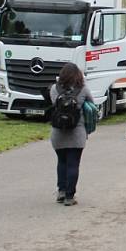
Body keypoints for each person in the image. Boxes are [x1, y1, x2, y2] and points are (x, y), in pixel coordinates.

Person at [50, 62, 94, 206]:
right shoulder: (83, 90)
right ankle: (70, 196)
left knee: (62, 161)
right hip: (77, 132)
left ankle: (61, 191)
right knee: (73, 164)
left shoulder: (54, 89)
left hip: (58, 132)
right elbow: (92, 106)